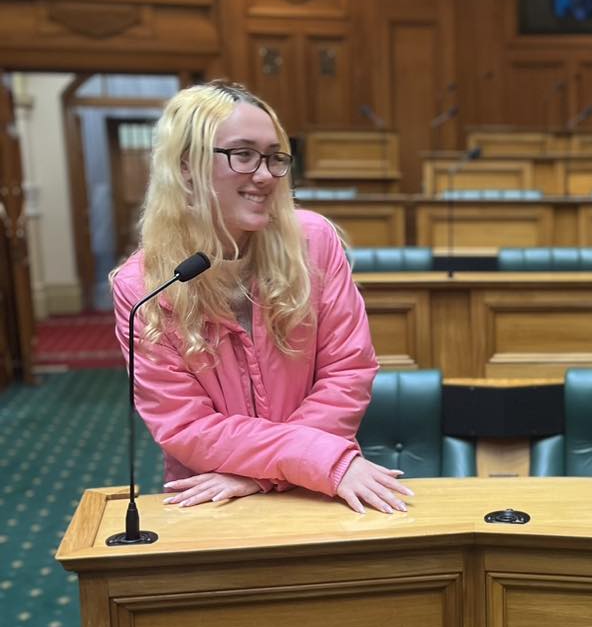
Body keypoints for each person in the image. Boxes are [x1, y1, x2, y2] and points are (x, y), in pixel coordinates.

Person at [112, 81, 410, 514]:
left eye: (274, 156)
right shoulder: (141, 287)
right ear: (186, 166)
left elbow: (348, 372)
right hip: (214, 499)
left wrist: (263, 474)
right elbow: (187, 426)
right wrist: (305, 457)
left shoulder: (314, 242)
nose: (266, 174)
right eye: (243, 154)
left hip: (316, 489)